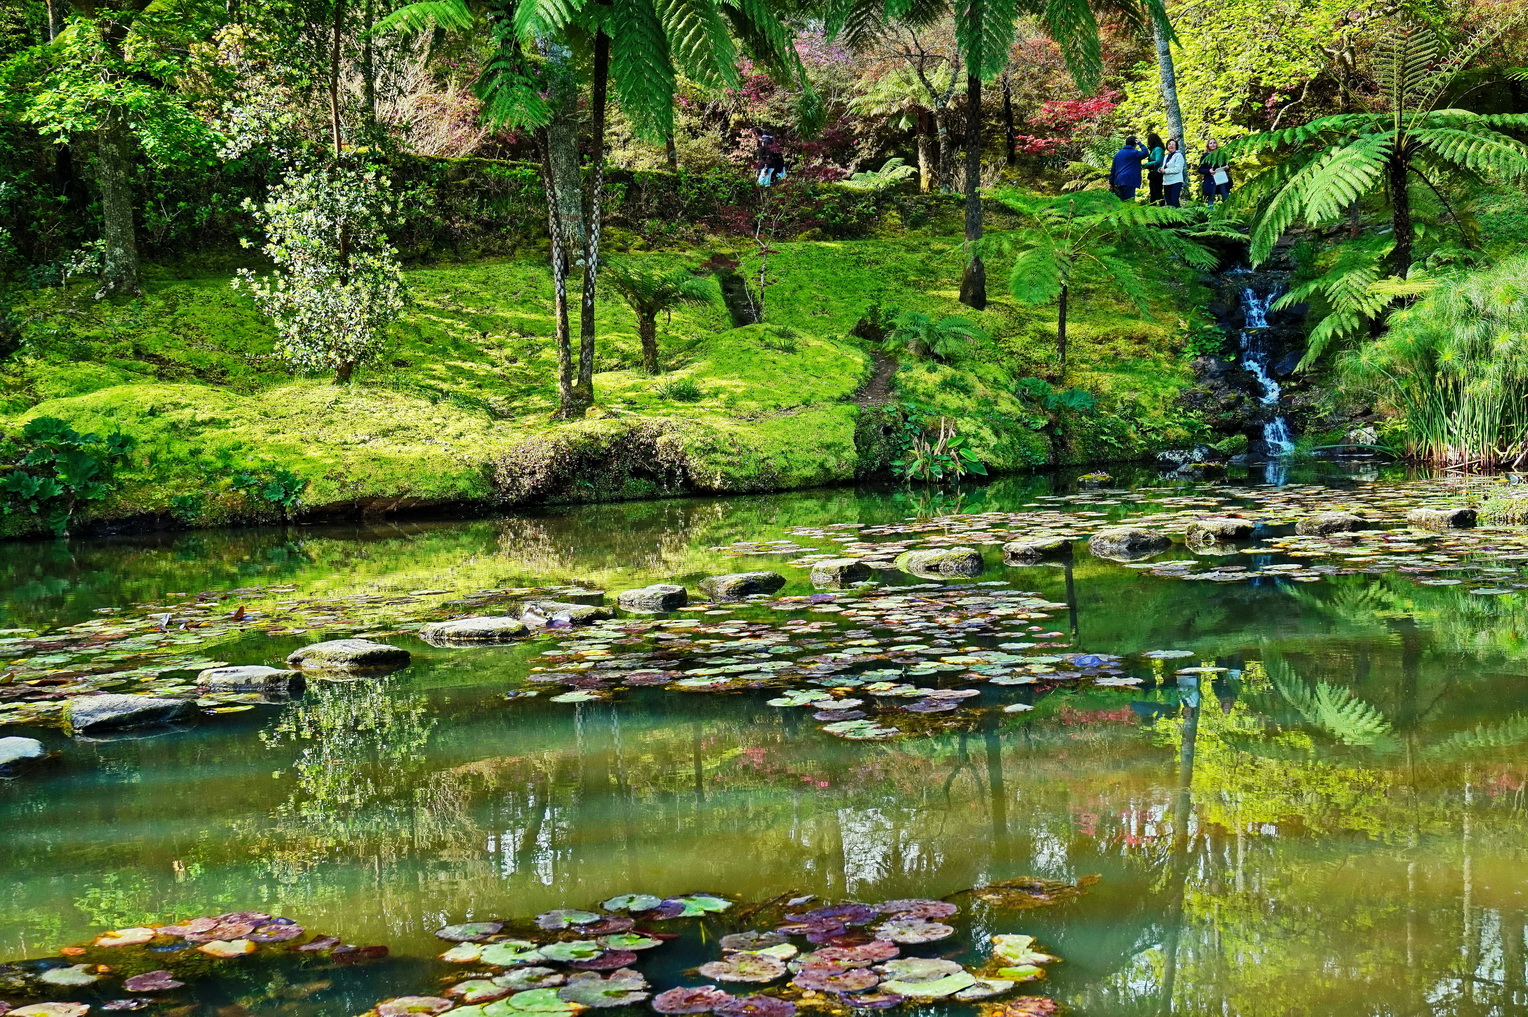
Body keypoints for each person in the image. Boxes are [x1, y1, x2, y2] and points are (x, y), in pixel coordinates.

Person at [1108, 136, 1149, 201]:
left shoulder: (1118, 154)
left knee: (1121, 202)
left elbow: (1113, 169)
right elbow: (1146, 153)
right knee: (1129, 203)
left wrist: (1111, 182)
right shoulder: (1135, 153)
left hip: (1119, 180)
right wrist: (1140, 144)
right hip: (1130, 180)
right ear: (1135, 144)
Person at [1199, 139, 1232, 205]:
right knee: (1211, 197)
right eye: (1210, 143)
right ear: (1208, 145)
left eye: (1214, 143)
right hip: (1210, 179)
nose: (1213, 144)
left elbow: (1227, 165)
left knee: (1225, 195)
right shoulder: (1205, 156)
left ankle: (1227, 213)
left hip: (1222, 178)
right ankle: (1210, 213)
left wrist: (1227, 167)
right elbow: (1200, 169)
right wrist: (1209, 171)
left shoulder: (1221, 154)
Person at [1161, 138, 1187, 208]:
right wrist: (1161, 170)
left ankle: (1179, 218)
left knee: (1174, 200)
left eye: (1173, 144)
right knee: (1168, 201)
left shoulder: (1178, 155)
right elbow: (1164, 166)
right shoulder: (1166, 156)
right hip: (1166, 182)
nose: (1171, 146)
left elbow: (1178, 169)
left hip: (1176, 181)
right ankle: (1171, 218)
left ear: (1176, 146)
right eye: (1169, 144)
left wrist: (1166, 171)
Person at [1145, 132, 1166, 205]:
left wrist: (1146, 164)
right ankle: (1153, 209)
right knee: (1153, 193)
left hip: (1157, 173)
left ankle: (1162, 209)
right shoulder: (1154, 149)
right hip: (1153, 173)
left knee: (1158, 192)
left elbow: (1158, 161)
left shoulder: (1158, 149)